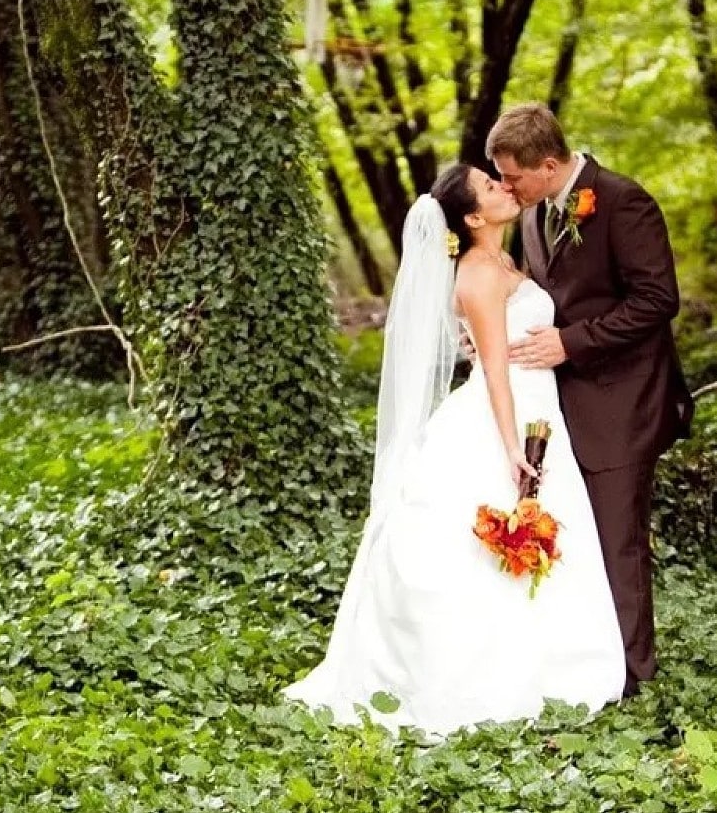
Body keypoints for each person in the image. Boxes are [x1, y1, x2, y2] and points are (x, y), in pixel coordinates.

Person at [282, 164, 625, 737]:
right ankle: (476, 676)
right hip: (504, 417)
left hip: (540, 407)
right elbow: (492, 368)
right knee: (484, 548)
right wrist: (513, 447)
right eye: (490, 187)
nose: (501, 187)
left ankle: (549, 666)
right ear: (472, 217)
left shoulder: (504, 262)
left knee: (542, 542)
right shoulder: (477, 274)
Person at [487, 105, 693, 697]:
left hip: (622, 403)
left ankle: (635, 679)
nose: (506, 188)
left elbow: (658, 299)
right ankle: (585, 667)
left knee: (618, 543)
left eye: (513, 178)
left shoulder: (624, 202)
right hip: (556, 407)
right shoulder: (532, 216)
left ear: (548, 166)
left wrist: (570, 344)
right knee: (577, 541)